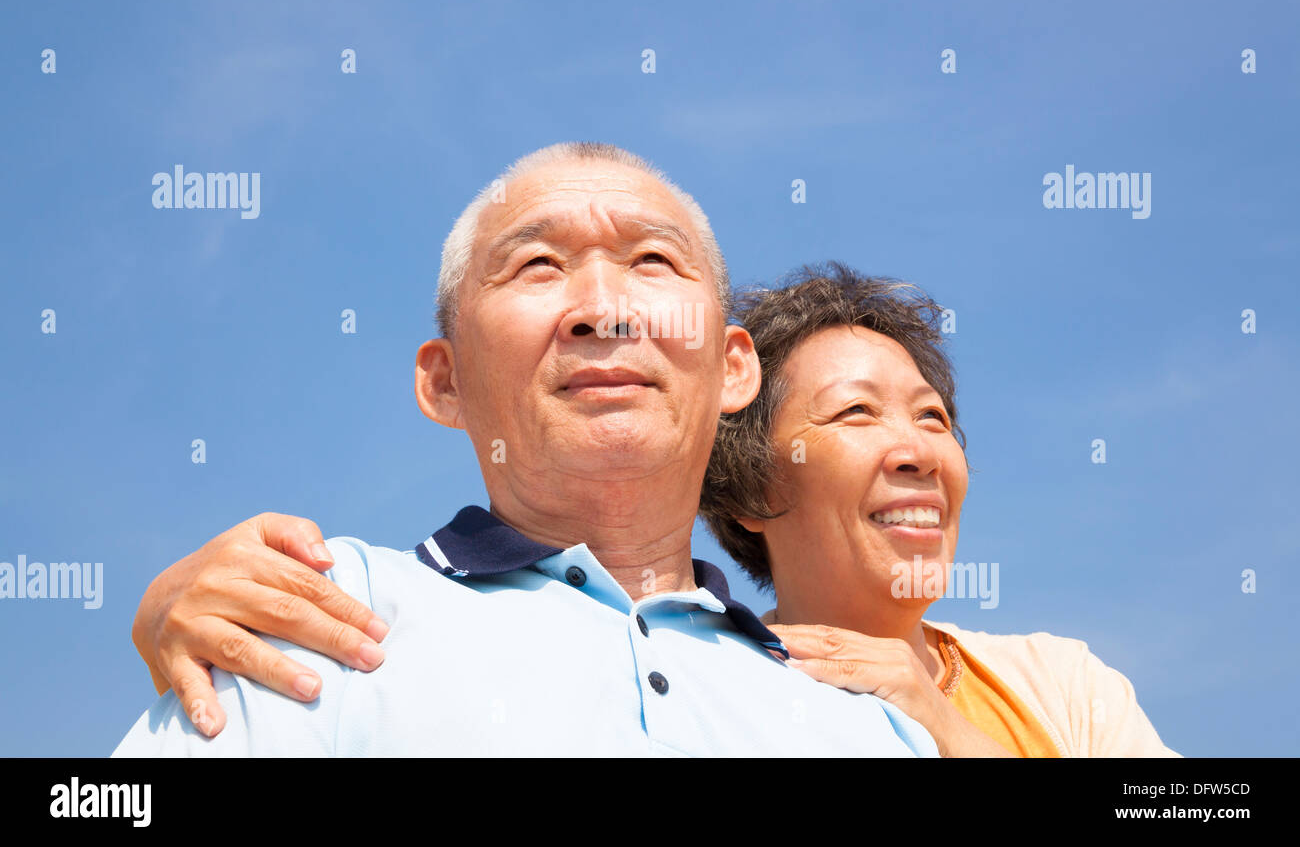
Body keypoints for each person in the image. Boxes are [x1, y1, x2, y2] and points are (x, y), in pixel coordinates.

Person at [112, 142, 937, 757]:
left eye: (652, 260)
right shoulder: (314, 619)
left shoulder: (859, 717)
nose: (603, 309)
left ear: (732, 369)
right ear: (445, 383)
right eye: (537, 265)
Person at [698, 264, 1179, 757]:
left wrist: (946, 728)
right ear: (748, 489)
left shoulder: (1065, 687)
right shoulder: (709, 704)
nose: (921, 455)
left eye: (932, 417)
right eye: (856, 411)